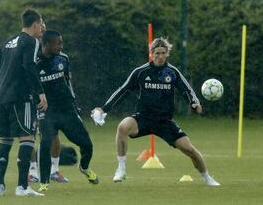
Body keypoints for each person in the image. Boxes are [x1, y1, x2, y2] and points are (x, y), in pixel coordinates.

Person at [91, 37, 220, 186]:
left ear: (167, 54)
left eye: (163, 53)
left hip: (164, 122)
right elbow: (123, 91)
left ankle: (207, 177)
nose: (160, 56)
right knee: (122, 127)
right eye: (157, 53)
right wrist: (104, 108)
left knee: (189, 149)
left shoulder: (172, 72)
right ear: (151, 53)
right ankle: (121, 169)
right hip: (143, 118)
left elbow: (186, 89)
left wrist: (194, 102)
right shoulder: (141, 72)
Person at [36, 29, 98, 192]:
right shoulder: (34, 62)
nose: (61, 46)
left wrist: (75, 105)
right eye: (58, 43)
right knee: (45, 143)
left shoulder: (63, 59)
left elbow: (68, 83)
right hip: (46, 111)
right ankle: (44, 183)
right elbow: (29, 89)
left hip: (66, 110)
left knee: (87, 145)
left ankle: (84, 168)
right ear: (47, 44)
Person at [0, 8, 47, 197]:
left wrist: (3, 89)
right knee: (27, 138)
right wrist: (40, 93)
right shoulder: (31, 41)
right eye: (41, 23)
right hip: (20, 97)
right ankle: (22, 187)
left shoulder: (7, 42)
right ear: (35, 24)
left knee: (5, 140)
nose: (42, 27)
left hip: (2, 97)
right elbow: (29, 66)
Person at [28, 22, 68, 184]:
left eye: (43, 29)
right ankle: (32, 172)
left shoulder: (53, 53)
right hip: (31, 98)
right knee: (30, 132)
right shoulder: (29, 49)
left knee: (53, 134)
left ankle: (54, 170)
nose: (41, 31)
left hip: (51, 101)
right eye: (40, 28)